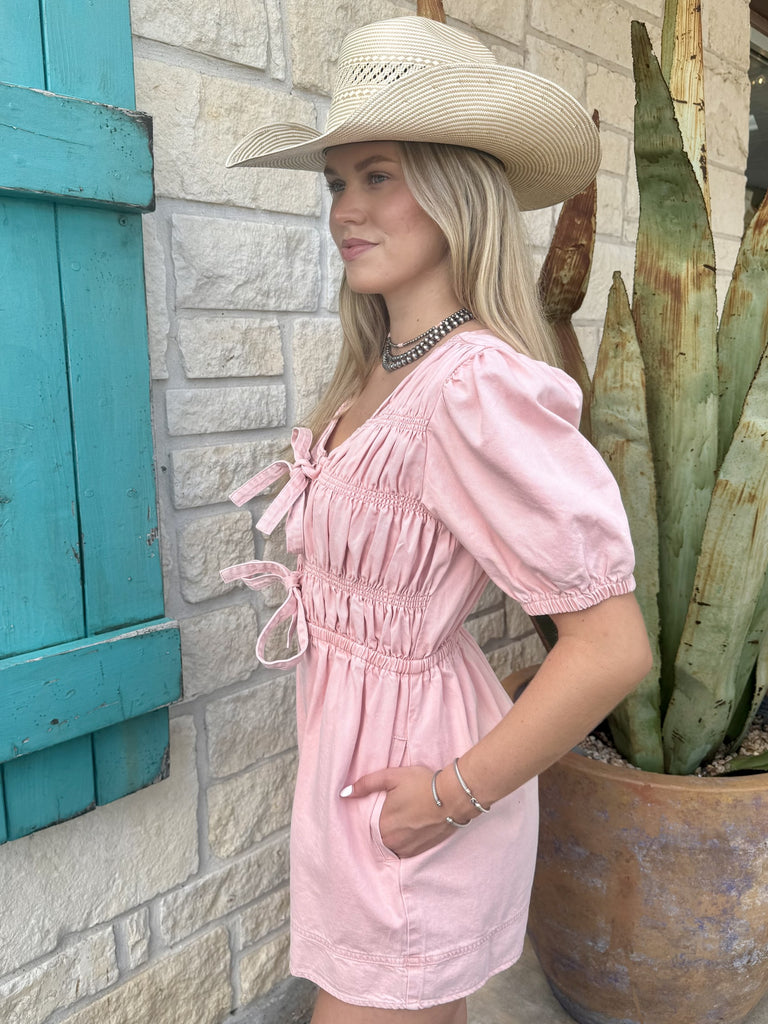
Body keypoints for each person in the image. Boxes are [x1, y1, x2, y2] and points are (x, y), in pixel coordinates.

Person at [220, 15, 652, 1024]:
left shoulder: (474, 390)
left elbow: (611, 646)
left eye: (379, 176)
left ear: (457, 192)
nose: (346, 209)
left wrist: (451, 796)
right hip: (355, 766)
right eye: (338, 181)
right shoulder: (377, 366)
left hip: (418, 783)